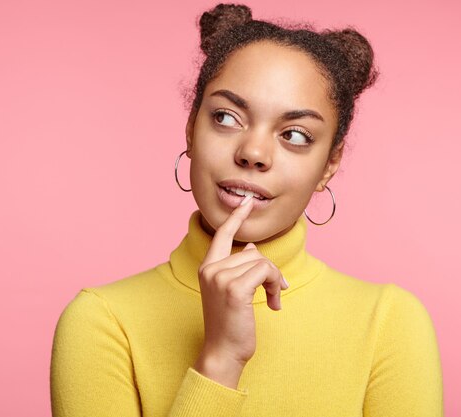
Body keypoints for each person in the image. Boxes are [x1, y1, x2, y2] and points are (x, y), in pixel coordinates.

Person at [50, 4, 443, 416]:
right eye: (226, 117)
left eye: (294, 134)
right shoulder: (101, 320)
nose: (253, 153)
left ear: (330, 164)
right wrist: (220, 360)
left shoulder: (389, 322)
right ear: (191, 127)